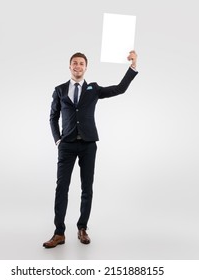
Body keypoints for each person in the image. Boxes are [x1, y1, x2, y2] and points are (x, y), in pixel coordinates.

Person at [43, 50, 138, 248]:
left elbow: (119, 89)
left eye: (81, 63)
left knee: (87, 188)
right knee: (62, 188)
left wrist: (132, 67)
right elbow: (53, 117)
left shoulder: (93, 89)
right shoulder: (60, 90)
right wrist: (57, 140)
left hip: (88, 145)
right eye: (74, 63)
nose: (78, 66)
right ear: (69, 67)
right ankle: (59, 232)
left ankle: (82, 228)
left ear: (86, 68)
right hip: (67, 146)